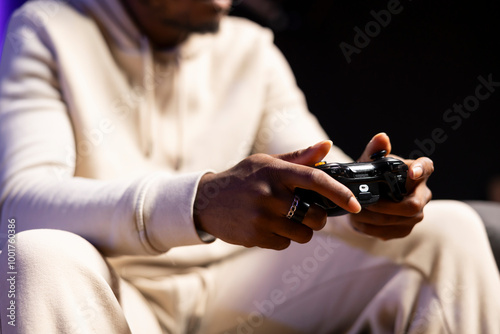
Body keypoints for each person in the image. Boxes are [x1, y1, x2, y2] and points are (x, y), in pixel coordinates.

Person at [0, 0, 499, 333]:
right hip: (116, 289)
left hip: (243, 293)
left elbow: (315, 168)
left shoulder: (250, 48)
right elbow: (20, 205)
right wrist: (200, 202)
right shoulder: (48, 28)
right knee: (37, 254)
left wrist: (370, 206)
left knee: (450, 228)